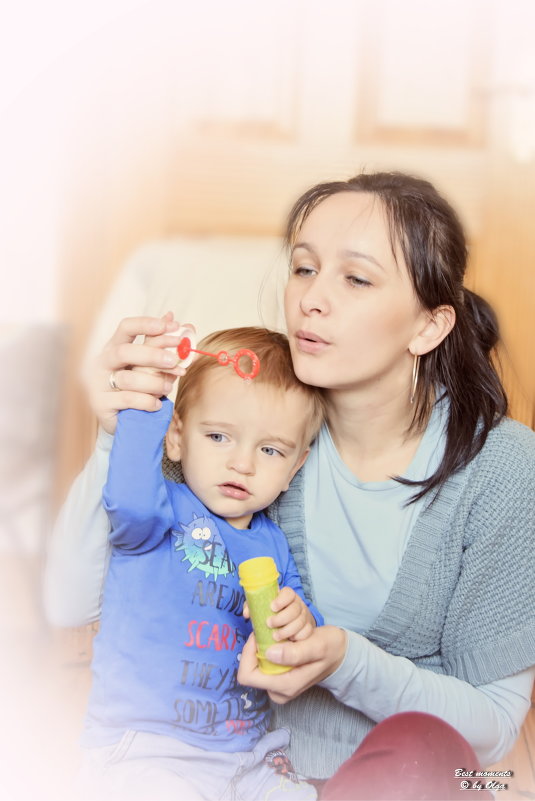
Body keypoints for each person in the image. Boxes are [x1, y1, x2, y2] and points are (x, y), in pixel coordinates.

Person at [46, 172, 535, 800]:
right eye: (304, 269)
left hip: (416, 772)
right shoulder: (243, 421)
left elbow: (495, 732)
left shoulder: (504, 470)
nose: (310, 299)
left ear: (429, 326)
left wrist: (342, 662)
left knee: (445, 760)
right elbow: (69, 602)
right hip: (239, 766)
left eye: (355, 279)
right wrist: (117, 439)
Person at [78, 326, 325, 801]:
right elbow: (126, 495)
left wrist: (300, 620)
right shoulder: (158, 510)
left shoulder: (273, 544)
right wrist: (148, 400)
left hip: (249, 757)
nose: (243, 464)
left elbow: (303, 622)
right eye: (217, 436)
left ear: (295, 468)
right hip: (149, 752)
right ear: (176, 439)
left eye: (270, 450)